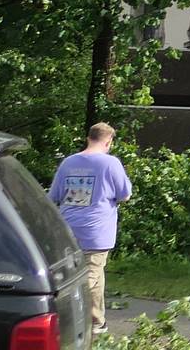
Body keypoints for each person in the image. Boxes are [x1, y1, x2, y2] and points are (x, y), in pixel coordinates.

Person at [48, 122, 131, 332]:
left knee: (92, 274)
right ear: (109, 141)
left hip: (68, 229)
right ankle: (68, 319)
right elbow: (125, 194)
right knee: (88, 278)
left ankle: (97, 320)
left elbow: (54, 195)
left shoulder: (68, 162)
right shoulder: (110, 163)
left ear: (88, 138)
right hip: (96, 231)